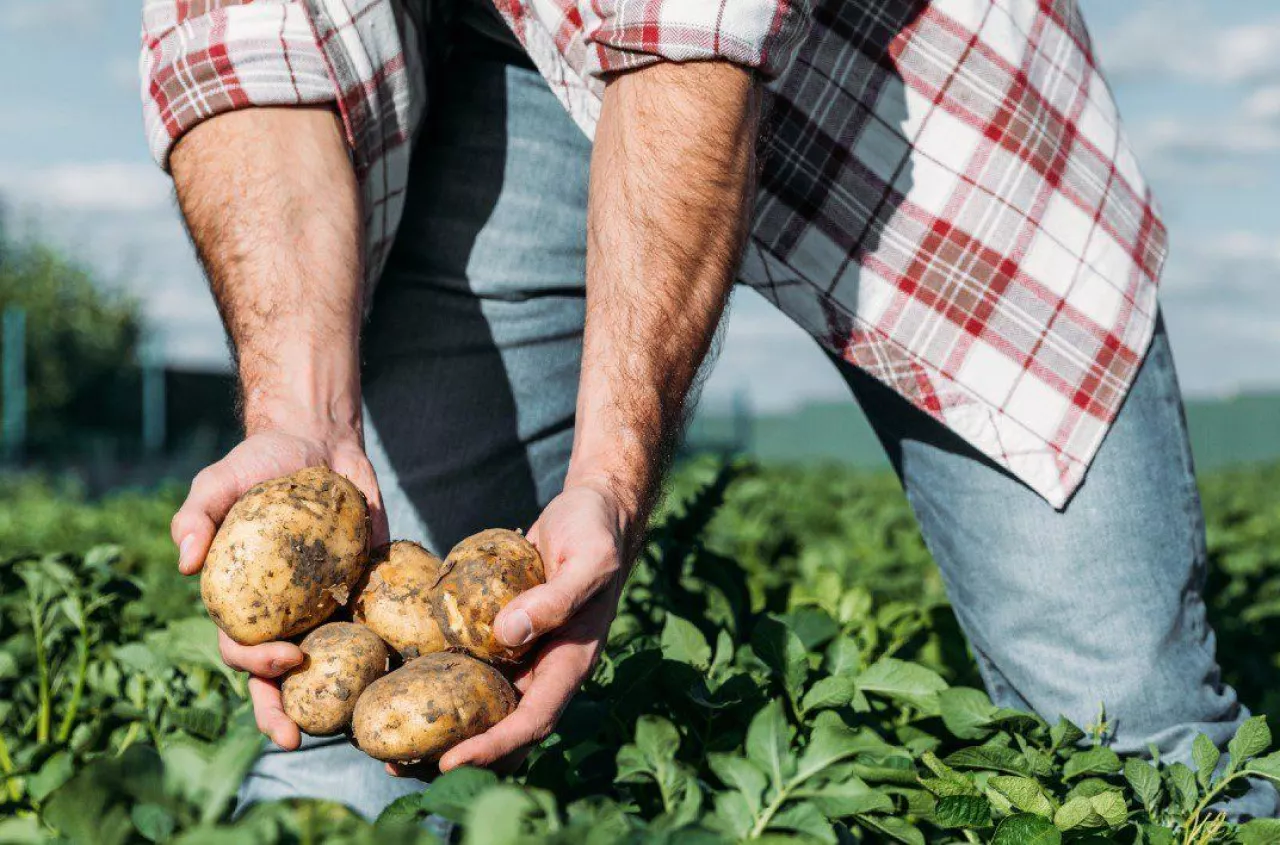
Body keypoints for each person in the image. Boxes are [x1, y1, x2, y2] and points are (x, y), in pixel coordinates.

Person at [141, 0, 1277, 822]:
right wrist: (301, 416)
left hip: (898, 74)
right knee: (342, 767)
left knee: (1129, 734)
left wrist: (607, 480)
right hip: (499, 57)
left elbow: (685, 46)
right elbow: (239, 42)